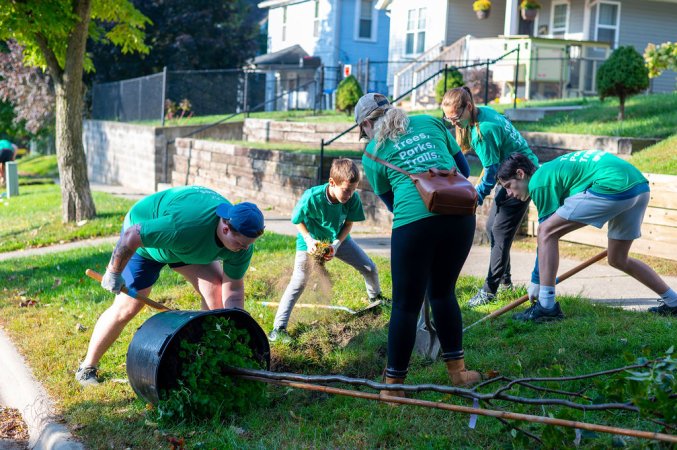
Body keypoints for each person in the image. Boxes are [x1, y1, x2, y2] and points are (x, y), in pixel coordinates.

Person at [75, 186, 266, 386]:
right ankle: (88, 367)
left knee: (217, 295)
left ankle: (210, 358)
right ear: (226, 228)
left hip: (188, 249)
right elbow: (132, 235)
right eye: (241, 244)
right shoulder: (184, 225)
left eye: (248, 244)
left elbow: (233, 289)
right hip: (148, 246)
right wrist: (113, 271)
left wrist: (237, 326)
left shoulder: (242, 243)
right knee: (127, 308)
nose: (244, 250)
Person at [357, 92, 480, 398]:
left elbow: (392, 203)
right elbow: (463, 171)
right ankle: (459, 374)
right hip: (460, 215)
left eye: (363, 130)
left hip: (415, 221)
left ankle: (394, 387)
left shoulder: (373, 151)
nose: (364, 136)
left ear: (368, 124)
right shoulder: (430, 122)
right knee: (442, 293)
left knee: (405, 304)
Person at [497, 150, 677, 321]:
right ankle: (673, 302)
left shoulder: (539, 181)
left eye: (508, 187)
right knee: (618, 258)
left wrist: (537, 281)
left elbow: (546, 234)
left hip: (613, 185)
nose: (510, 194)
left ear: (520, 174)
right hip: (639, 187)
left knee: (545, 231)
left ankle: (546, 306)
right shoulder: (551, 171)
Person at [269, 158, 388, 343]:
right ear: (332, 183)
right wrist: (309, 240)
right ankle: (278, 328)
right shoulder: (312, 197)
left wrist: (335, 244)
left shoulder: (352, 199)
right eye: (346, 190)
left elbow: (348, 224)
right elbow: (296, 220)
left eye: (353, 190)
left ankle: (377, 300)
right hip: (311, 241)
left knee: (370, 267)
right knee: (299, 281)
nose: (350, 194)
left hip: (337, 239)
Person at [441, 87, 539, 307]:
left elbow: (491, 170)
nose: (454, 124)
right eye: (449, 120)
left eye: (456, 119)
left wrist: (475, 197)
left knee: (500, 231)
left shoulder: (482, 131)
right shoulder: (482, 113)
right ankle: (505, 283)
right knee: (492, 227)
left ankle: (490, 291)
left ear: (468, 107)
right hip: (513, 172)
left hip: (520, 179)